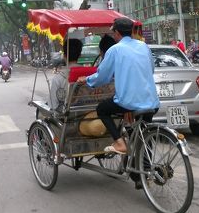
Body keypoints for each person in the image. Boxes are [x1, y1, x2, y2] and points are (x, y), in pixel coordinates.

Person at [77, 17, 160, 155]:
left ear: (117, 33)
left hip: (128, 102)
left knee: (102, 109)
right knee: (143, 135)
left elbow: (102, 77)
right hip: (152, 101)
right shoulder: (143, 46)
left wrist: (87, 80)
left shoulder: (115, 50)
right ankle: (143, 169)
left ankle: (119, 143)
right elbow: (150, 69)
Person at [49, 38, 83, 112]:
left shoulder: (58, 78)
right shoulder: (89, 75)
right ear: (80, 55)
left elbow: (53, 105)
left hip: (66, 118)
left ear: (64, 56)